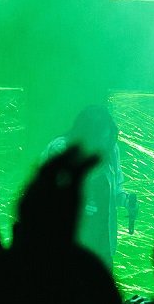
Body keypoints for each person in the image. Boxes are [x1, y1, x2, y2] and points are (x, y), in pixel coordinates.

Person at [41, 104, 135, 266]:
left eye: (108, 138)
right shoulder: (60, 149)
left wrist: (127, 201)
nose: (105, 144)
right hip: (68, 245)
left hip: (103, 244)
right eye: (101, 139)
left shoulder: (111, 150)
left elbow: (115, 191)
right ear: (87, 134)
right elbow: (48, 197)